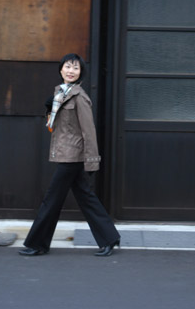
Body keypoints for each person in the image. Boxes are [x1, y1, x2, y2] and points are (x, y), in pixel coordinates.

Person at [19, 53, 121, 257]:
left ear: (81, 72)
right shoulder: (60, 94)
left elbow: (89, 131)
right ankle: (109, 238)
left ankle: (38, 244)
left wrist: (92, 161)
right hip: (65, 152)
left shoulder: (79, 97)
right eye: (68, 66)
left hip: (73, 156)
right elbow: (55, 126)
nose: (71, 71)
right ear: (61, 69)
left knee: (51, 200)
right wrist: (49, 110)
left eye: (76, 68)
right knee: (86, 197)